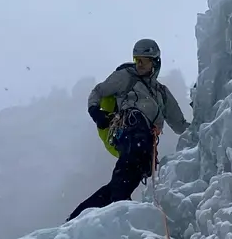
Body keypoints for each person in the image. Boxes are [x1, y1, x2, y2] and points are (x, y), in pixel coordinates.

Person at [67, 39, 190, 221]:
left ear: (155, 62)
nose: (138, 64)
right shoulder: (126, 76)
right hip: (130, 127)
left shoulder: (162, 93)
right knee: (127, 171)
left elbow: (180, 125)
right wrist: (95, 111)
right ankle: (120, 208)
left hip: (146, 143)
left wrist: (202, 114)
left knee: (125, 180)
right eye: (136, 59)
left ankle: (79, 217)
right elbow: (98, 91)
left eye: (143, 60)